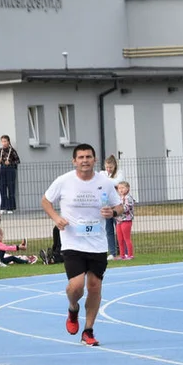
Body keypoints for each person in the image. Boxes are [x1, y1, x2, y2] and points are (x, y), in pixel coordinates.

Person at [42, 144, 122, 346]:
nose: (85, 160)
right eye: (81, 157)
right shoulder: (64, 181)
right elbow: (45, 200)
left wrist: (112, 213)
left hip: (97, 243)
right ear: (74, 161)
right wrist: (56, 218)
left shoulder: (104, 182)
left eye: (88, 156)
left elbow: (119, 206)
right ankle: (72, 308)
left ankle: (88, 330)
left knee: (94, 287)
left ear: (94, 160)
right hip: (72, 242)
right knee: (76, 287)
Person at [103, 155, 120, 259]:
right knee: (109, 230)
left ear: (115, 166)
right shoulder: (102, 174)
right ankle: (112, 253)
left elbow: (117, 182)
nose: (108, 169)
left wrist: (107, 181)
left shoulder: (119, 173)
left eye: (111, 167)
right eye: (107, 167)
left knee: (119, 230)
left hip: (117, 206)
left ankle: (123, 252)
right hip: (106, 206)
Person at [0, 134, 20, 213]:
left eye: (5, 141)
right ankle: (3, 206)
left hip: (10, 170)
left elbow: (18, 161)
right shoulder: (1, 150)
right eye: (2, 141)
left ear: (8, 142)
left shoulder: (12, 150)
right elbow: (0, 160)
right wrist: (0, 161)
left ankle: (11, 208)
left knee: (11, 188)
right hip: (3, 169)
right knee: (2, 187)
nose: (3, 143)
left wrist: (10, 162)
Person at [114, 180, 135, 260]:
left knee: (127, 238)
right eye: (119, 188)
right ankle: (122, 255)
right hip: (119, 220)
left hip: (126, 220)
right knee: (120, 238)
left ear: (128, 189)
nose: (121, 190)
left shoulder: (128, 198)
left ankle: (130, 255)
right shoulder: (118, 198)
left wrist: (116, 210)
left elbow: (126, 208)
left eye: (123, 188)